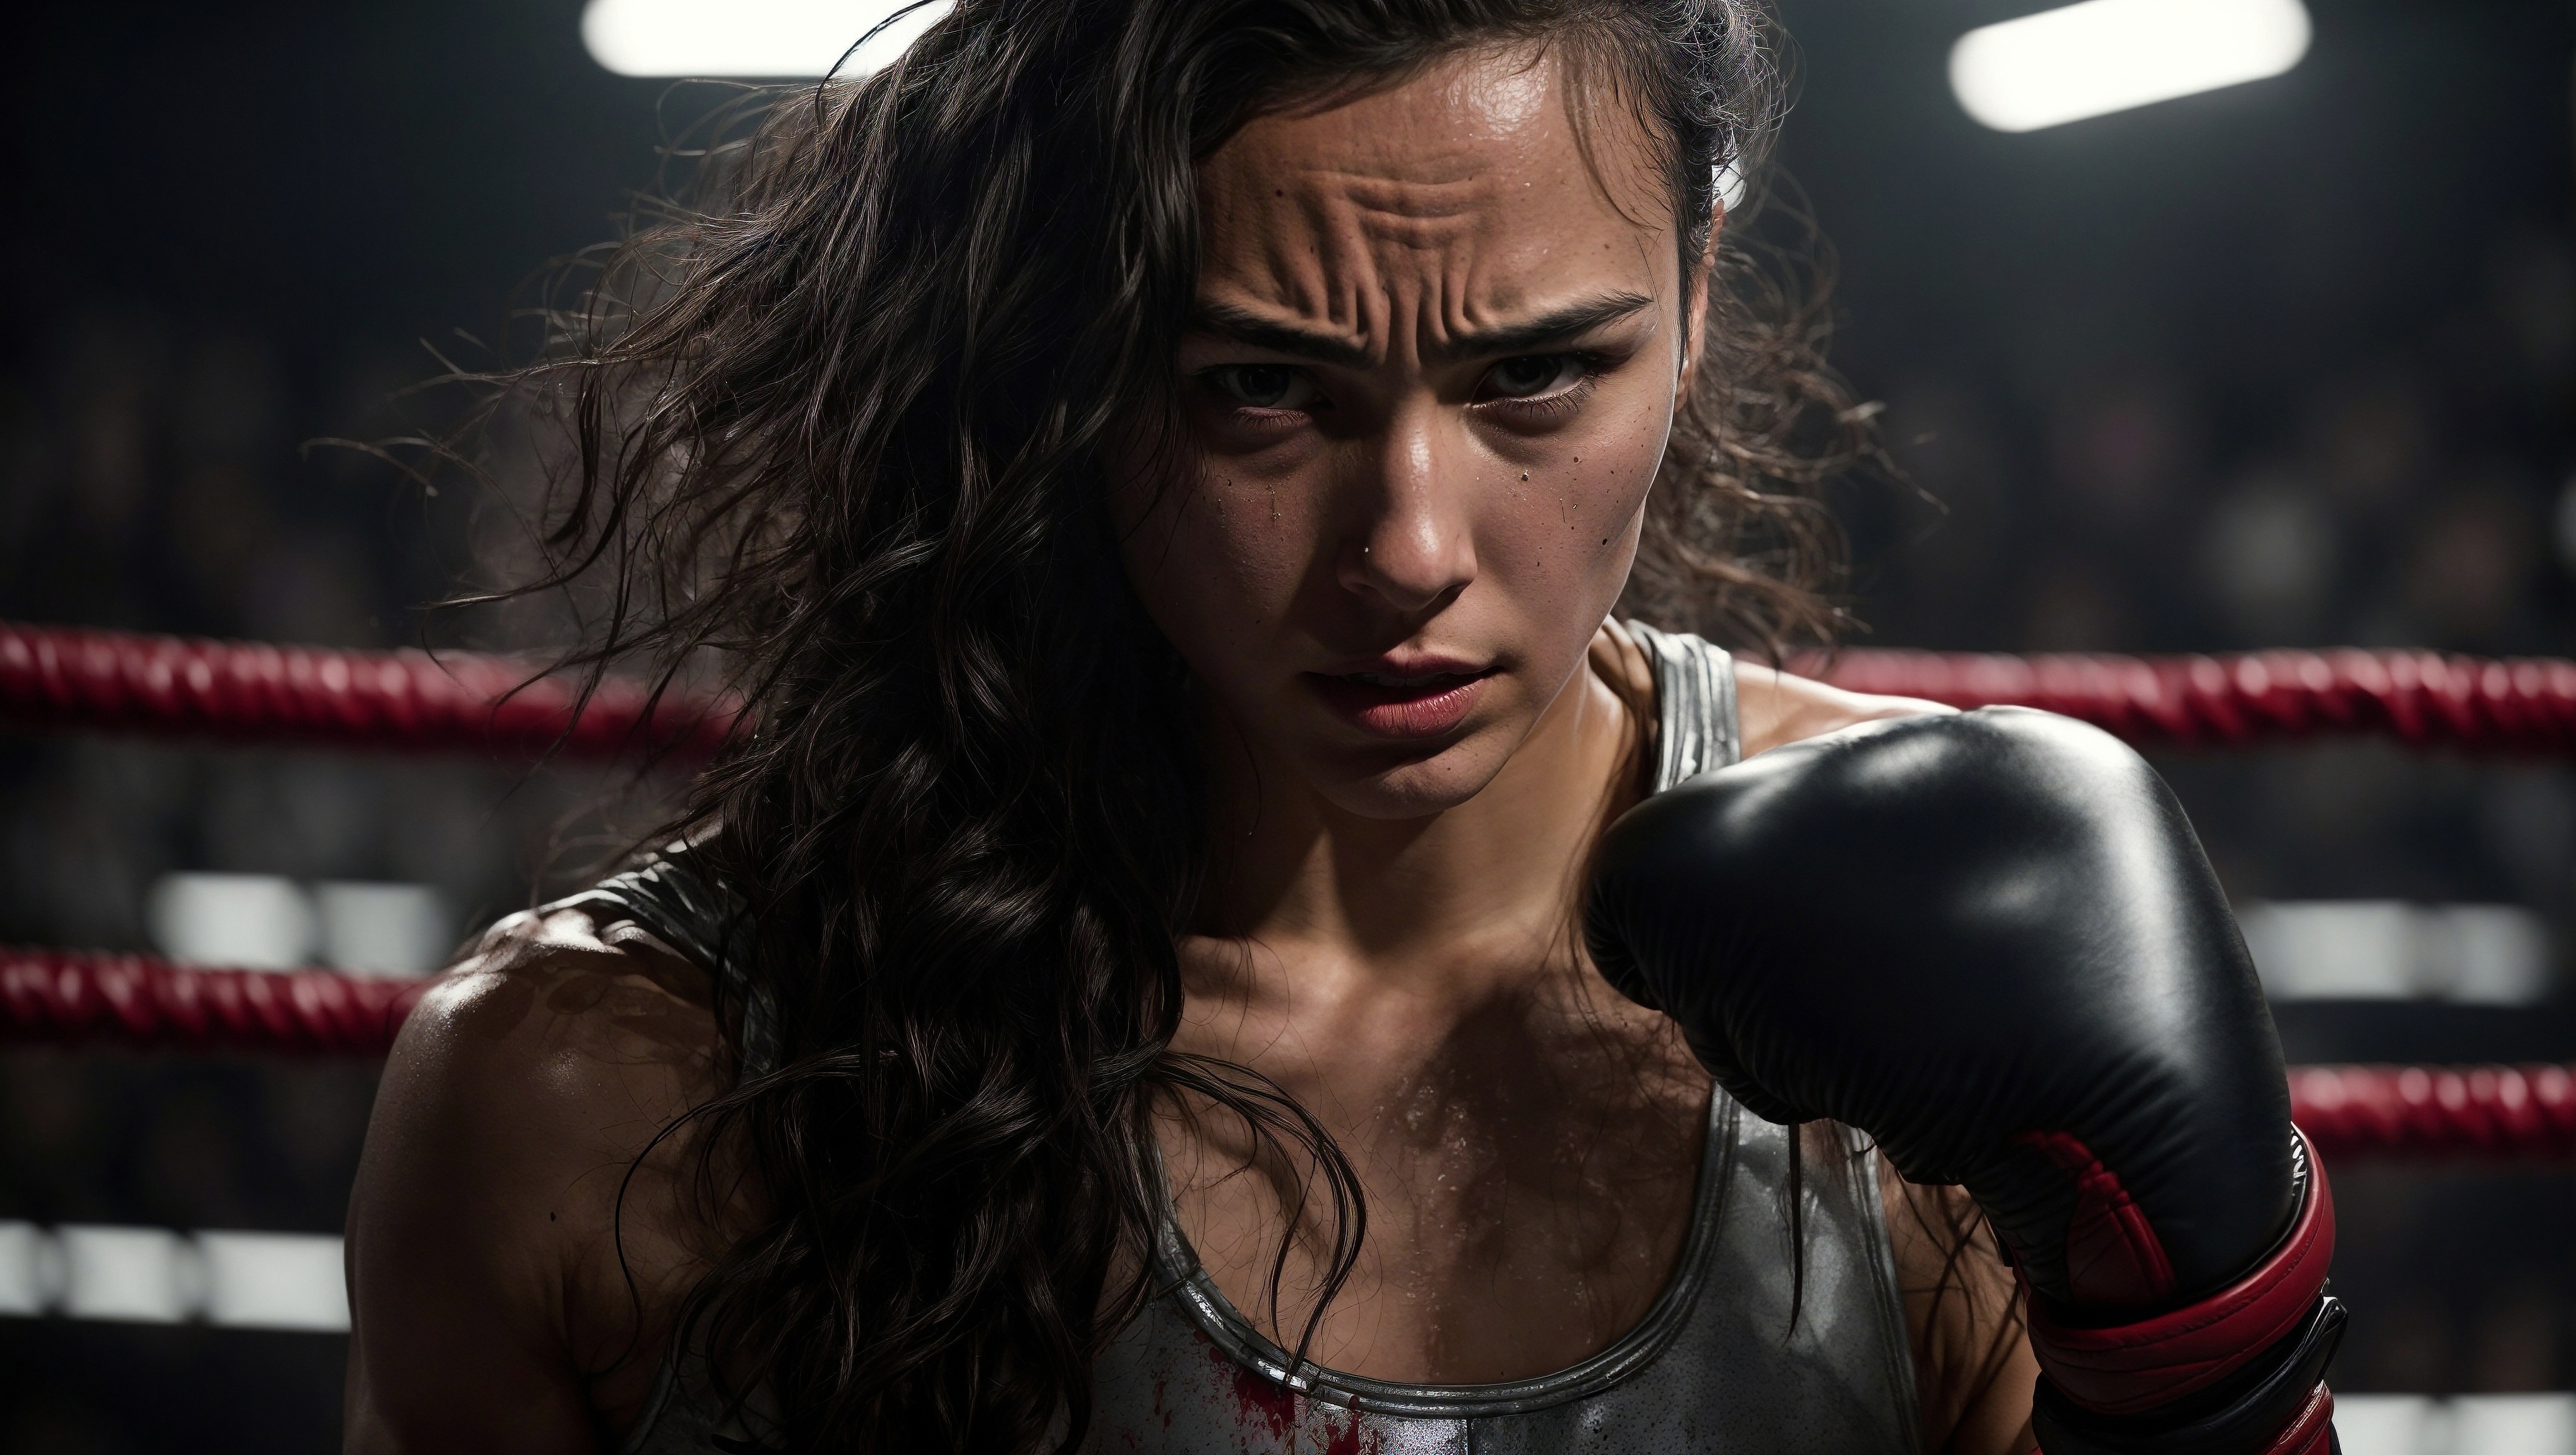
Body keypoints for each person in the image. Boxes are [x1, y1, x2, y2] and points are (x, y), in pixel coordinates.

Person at [343, 3, 2339, 1452]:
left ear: (1697, 297)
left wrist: (2213, 1381)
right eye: (1260, 396)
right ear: (1079, 351)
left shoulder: (1919, 1003)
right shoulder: (607, 1098)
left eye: (1539, 378)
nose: (1408, 547)